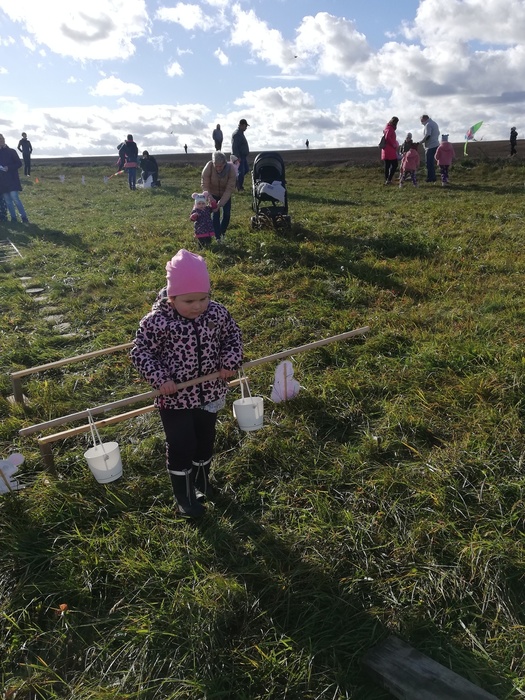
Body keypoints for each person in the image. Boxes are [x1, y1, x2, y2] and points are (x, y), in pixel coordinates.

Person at [130, 249, 243, 518]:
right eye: (189, 300)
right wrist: (161, 379)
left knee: (205, 440)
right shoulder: (158, 322)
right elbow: (140, 352)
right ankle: (184, 497)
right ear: (172, 297)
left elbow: (233, 336)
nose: (198, 306)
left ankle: (202, 482)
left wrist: (229, 360)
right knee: (182, 444)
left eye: (203, 298)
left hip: (210, 392)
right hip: (175, 398)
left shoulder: (216, 313)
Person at [201, 151, 237, 242]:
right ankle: (217, 237)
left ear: (225, 163)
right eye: (216, 166)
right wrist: (210, 198)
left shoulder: (231, 169)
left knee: (227, 215)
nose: (218, 168)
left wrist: (220, 204)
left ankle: (222, 232)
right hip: (213, 193)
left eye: (220, 166)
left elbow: (229, 189)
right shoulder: (209, 167)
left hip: (225, 194)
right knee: (215, 214)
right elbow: (205, 185)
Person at [0, 134, 29, 223]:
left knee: (15, 198)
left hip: (12, 179)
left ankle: (24, 217)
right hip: (2, 181)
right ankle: (13, 218)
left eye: (2, 139)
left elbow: (19, 163)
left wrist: (9, 167)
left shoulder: (11, 151)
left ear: (4, 140)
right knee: (8, 201)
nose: (1, 141)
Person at [231, 118, 250, 191]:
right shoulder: (237, 134)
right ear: (242, 125)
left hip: (243, 156)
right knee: (241, 172)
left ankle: (237, 183)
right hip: (240, 156)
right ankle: (239, 187)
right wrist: (238, 157)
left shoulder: (240, 133)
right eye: (245, 126)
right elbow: (235, 147)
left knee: (246, 170)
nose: (246, 128)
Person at [420, 114, 440, 183]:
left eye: (421, 120)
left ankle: (430, 177)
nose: (421, 122)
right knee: (431, 163)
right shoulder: (434, 123)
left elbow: (428, 135)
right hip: (436, 144)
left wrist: (421, 142)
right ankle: (433, 176)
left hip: (430, 146)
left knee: (429, 163)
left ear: (424, 119)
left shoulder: (428, 125)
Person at [380, 116, 399, 185]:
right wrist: (393, 144)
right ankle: (389, 179)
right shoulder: (390, 128)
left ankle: (387, 180)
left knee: (387, 165)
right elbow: (387, 137)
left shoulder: (387, 128)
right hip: (390, 150)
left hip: (385, 150)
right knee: (395, 164)